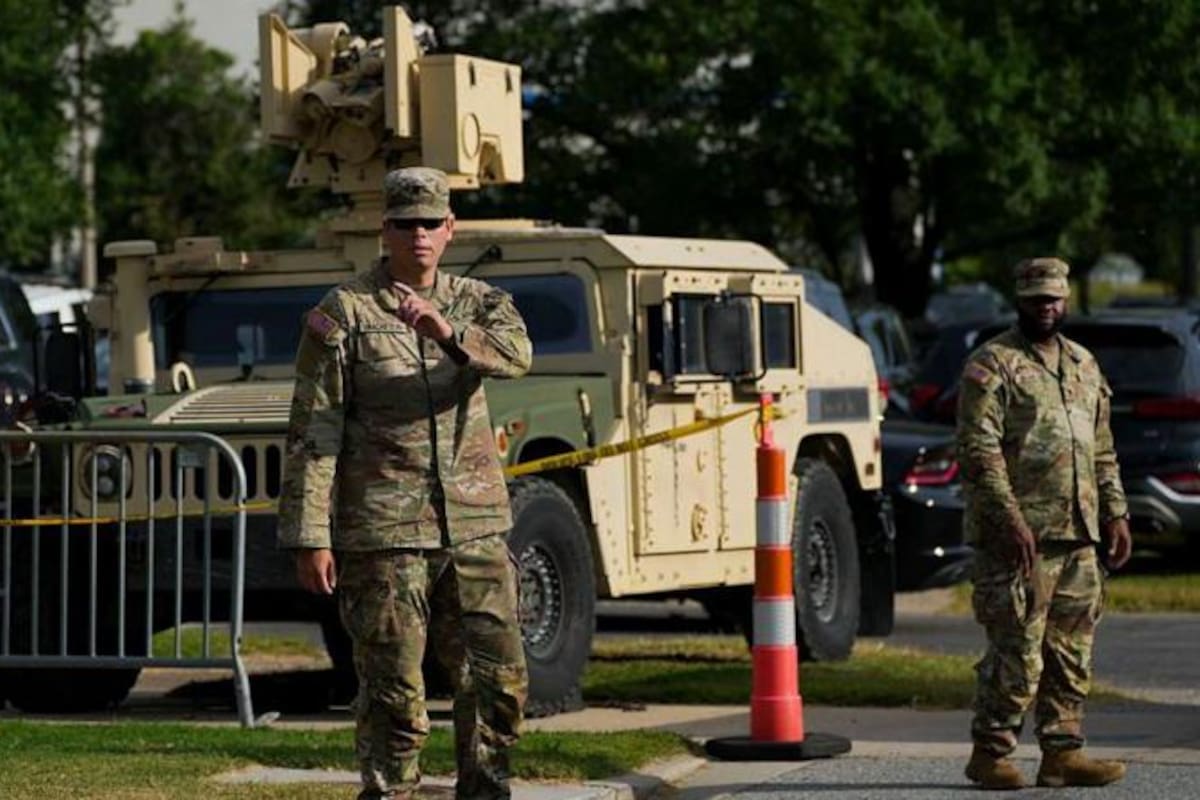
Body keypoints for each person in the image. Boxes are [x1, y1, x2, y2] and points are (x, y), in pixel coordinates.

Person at [278, 166, 532, 800]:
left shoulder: (479, 302)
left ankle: (486, 787)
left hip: (474, 524)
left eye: (429, 223)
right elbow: (315, 430)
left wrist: (445, 333)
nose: (417, 234)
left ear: (450, 230)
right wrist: (310, 535)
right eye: (404, 223)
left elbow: (518, 358)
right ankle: (391, 791)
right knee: (394, 687)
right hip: (386, 532)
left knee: (495, 677)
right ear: (382, 229)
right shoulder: (346, 313)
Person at [956, 257, 1133, 790]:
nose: (1045, 306)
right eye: (1036, 298)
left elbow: (1102, 449)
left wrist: (1116, 512)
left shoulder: (1083, 364)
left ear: (1066, 300)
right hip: (1020, 542)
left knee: (1071, 654)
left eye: (1053, 298)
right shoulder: (993, 364)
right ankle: (989, 753)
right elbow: (978, 448)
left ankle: (1063, 752)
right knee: (1018, 656)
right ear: (1020, 299)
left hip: (1079, 536)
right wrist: (1009, 519)